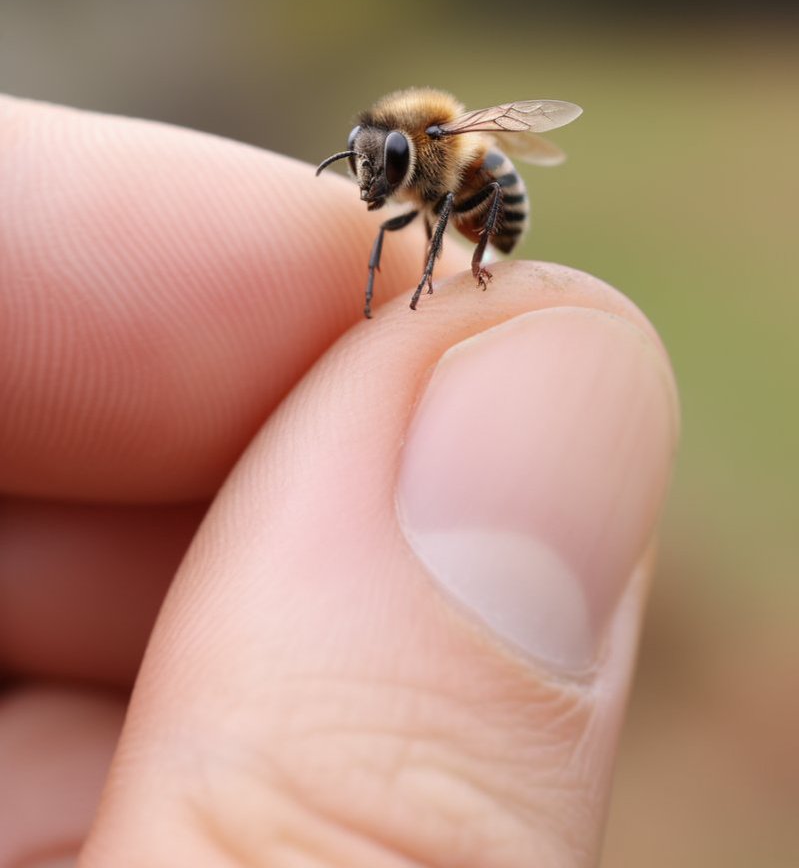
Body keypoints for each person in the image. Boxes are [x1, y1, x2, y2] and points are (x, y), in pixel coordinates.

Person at [0, 95, 678, 867]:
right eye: (366, 166)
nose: (370, 180)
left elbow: (479, 179)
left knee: (442, 234)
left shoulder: (447, 153)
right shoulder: (402, 167)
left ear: (417, 149)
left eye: (380, 167)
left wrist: (457, 263)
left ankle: (465, 268)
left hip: (486, 204)